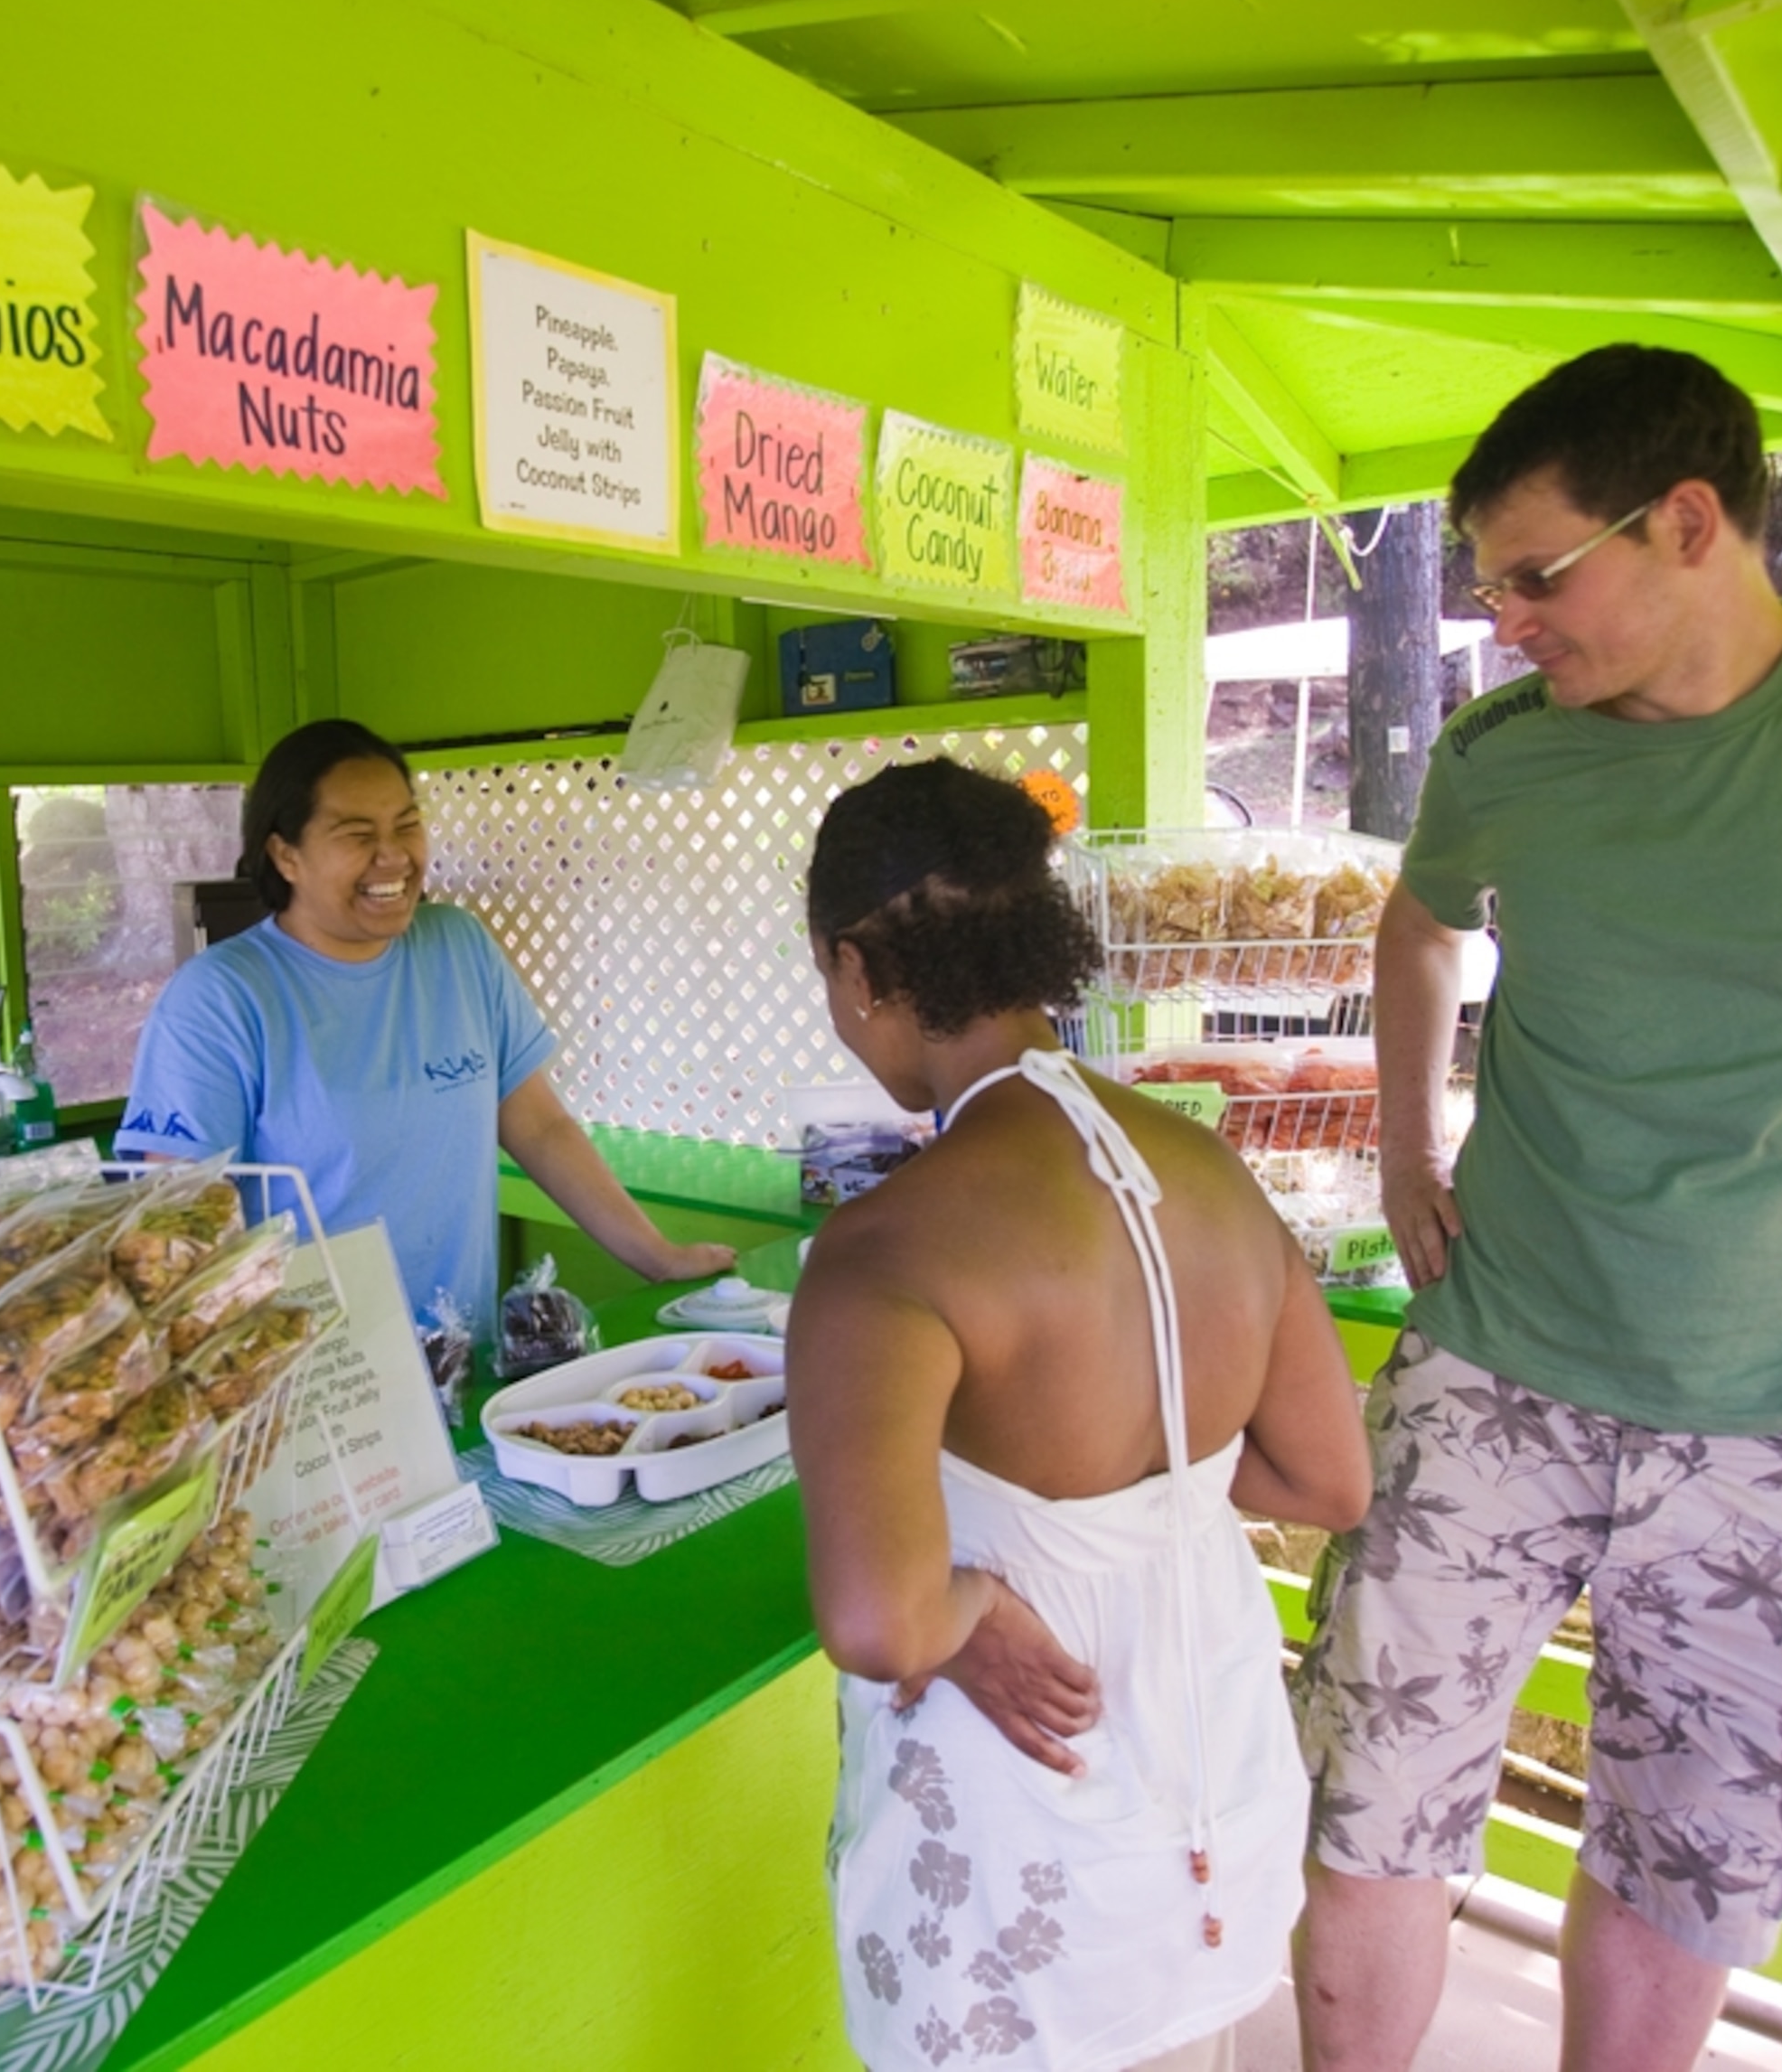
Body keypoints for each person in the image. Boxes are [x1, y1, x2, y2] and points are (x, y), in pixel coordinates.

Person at [1292, 346, 1782, 2072]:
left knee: (1683, 1878)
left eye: (1536, 578)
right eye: (1481, 587)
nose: (1502, 627)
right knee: (1369, 1814)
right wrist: (1405, 1149)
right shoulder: (1502, 754)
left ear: (1687, 523)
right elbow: (1420, 925)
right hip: (1494, 1369)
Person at [790, 760, 1372, 2072]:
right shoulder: (1208, 1168)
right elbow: (1331, 1479)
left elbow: (881, 1624)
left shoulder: (888, 1250)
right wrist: (1147, 1487)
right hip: (1214, 1804)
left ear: (858, 968)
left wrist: (980, 1602)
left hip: (1019, 1866)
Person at [117, 718, 732, 1327]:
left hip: (464, 1361)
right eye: (357, 834)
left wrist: (658, 1257)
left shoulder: (458, 949)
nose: (394, 856)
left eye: (406, 824)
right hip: (315, 1383)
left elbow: (540, 1128)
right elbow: (180, 1227)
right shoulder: (219, 999)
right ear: (285, 855)